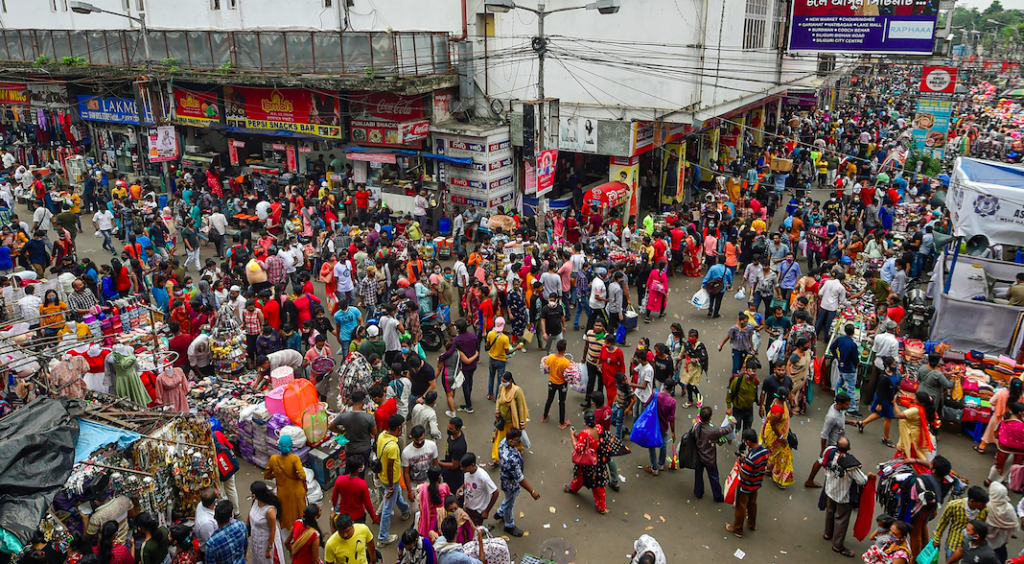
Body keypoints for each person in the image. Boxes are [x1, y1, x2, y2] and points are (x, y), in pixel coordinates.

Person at [822, 436, 872, 557]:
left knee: (830, 511)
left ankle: (828, 533)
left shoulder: (829, 452)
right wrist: (868, 476)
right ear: (849, 448)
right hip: (843, 495)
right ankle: (837, 545)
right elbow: (861, 480)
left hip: (830, 489)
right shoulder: (850, 463)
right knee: (841, 519)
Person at [495, 427, 540, 536]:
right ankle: (509, 525)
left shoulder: (502, 443)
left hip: (505, 478)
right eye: (518, 441)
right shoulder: (510, 459)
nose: (520, 443)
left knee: (508, 499)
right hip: (511, 484)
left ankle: (500, 512)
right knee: (510, 503)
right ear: (511, 441)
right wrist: (532, 491)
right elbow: (519, 478)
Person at [564, 411, 611, 514]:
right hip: (599, 461)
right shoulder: (599, 428)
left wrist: (572, 436)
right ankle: (601, 506)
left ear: (584, 422)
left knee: (581, 477)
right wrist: (578, 436)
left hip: (588, 462)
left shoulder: (585, 433)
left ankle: (572, 488)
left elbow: (578, 448)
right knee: (599, 485)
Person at [806, 393, 855, 488]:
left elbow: (839, 420)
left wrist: (849, 422)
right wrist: (823, 450)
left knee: (824, 462)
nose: (849, 406)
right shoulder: (831, 417)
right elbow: (824, 434)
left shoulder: (837, 409)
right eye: (847, 404)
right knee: (822, 461)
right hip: (832, 445)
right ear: (840, 404)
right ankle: (810, 481)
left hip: (837, 442)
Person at [727, 428, 769, 538]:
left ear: (748, 442)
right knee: (752, 504)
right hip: (756, 484)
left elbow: (745, 475)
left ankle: (737, 529)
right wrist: (745, 458)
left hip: (745, 486)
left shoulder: (751, 458)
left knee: (741, 507)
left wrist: (739, 464)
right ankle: (752, 524)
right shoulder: (764, 451)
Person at [376, 413, 411, 546]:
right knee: (388, 508)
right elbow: (390, 468)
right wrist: (391, 486)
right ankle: (383, 537)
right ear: (397, 427)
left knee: (397, 496)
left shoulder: (381, 436)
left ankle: (405, 510)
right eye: (401, 427)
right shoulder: (393, 447)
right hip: (390, 479)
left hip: (383, 476)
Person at [262, 435, 306, 535]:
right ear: (290, 446)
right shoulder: (294, 458)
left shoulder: (274, 459)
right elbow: (302, 476)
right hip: (297, 492)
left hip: (283, 493)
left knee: (286, 514)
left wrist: (277, 474)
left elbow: (267, 475)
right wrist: (294, 476)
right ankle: (301, 532)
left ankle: (289, 535)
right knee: (299, 512)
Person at [328, 390, 377, 477]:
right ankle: (359, 486)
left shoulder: (344, 416)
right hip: (364, 449)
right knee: (361, 470)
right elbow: (374, 432)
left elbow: (330, 427)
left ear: (352, 402)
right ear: (362, 402)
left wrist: (342, 431)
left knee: (349, 470)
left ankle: (349, 486)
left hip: (350, 449)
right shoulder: (369, 417)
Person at [932, 486, 990, 559]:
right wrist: (937, 539)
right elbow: (943, 522)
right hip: (954, 545)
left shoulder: (984, 511)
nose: (984, 506)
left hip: (971, 548)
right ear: (972, 501)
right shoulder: (954, 505)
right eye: (982, 504)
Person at [692, 406, 737, 501]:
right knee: (713, 477)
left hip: (698, 455)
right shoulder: (712, 431)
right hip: (709, 458)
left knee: (698, 475)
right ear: (709, 419)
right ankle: (717, 496)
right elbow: (725, 430)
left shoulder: (696, 426)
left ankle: (698, 492)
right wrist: (732, 423)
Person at [859, 355, 900, 449]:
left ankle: (863, 423)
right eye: (894, 364)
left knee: (878, 414)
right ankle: (886, 438)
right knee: (888, 419)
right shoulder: (883, 377)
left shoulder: (893, 373)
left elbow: (894, 384)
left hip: (889, 399)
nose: (895, 365)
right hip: (885, 400)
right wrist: (880, 404)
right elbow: (880, 391)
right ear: (888, 366)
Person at [760, 387, 794, 489]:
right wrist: (781, 437)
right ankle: (779, 477)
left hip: (778, 433)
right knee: (784, 456)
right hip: (775, 436)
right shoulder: (778, 409)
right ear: (785, 397)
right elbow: (774, 425)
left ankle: (769, 469)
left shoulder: (778, 402)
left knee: (773, 454)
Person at [492, 371, 528, 464]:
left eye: (504, 381)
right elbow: (499, 399)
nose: (502, 383)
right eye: (501, 381)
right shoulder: (501, 388)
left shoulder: (516, 391)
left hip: (512, 420)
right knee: (499, 438)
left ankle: (519, 448)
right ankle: (496, 458)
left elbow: (520, 407)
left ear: (510, 381)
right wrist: (497, 411)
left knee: (514, 438)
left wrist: (522, 422)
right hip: (502, 420)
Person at [246, 482, 284, 564]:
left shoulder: (269, 511)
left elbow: (272, 530)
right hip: (256, 540)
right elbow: (250, 515)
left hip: (266, 542)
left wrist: (269, 549)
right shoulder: (255, 502)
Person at [485, 317, 522, 400]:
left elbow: (487, 346)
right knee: (500, 379)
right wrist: (517, 348)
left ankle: (490, 394)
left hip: (491, 358)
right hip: (500, 360)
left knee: (491, 376)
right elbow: (507, 352)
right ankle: (497, 396)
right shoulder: (505, 338)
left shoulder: (490, 334)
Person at [644, 386, 677, 476]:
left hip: (652, 425)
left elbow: (646, 405)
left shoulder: (655, 394)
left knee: (651, 447)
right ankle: (661, 464)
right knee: (663, 444)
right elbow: (672, 419)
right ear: (672, 388)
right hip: (663, 426)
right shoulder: (672, 402)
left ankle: (654, 468)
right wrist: (673, 432)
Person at [459, 453, 499, 526]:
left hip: (477, 511)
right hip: (467, 507)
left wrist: (486, 511)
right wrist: (462, 488)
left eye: (464, 467)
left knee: (475, 532)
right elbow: (467, 483)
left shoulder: (483, 478)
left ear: (472, 465)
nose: (462, 469)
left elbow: (496, 492)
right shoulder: (466, 472)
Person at [830, 324, 861, 415]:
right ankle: (851, 409)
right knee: (851, 388)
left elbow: (832, 347)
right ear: (853, 332)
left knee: (839, 382)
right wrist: (856, 364)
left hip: (842, 366)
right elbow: (855, 358)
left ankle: (837, 398)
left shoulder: (840, 339)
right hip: (849, 369)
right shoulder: (853, 344)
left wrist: (836, 357)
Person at [402, 425, 440, 499]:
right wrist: (410, 491)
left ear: (425, 435)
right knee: (416, 509)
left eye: (421, 439)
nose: (419, 442)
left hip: (430, 482)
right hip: (414, 485)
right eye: (417, 440)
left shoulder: (432, 446)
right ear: (412, 437)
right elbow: (406, 472)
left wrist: (437, 483)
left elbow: (436, 464)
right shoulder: (406, 452)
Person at [984, 482, 1018, 562]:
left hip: (985, 541)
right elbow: (1014, 525)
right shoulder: (1009, 508)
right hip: (1001, 541)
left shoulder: (987, 506)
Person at [726, 357, 761, 433]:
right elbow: (730, 392)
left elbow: (755, 392)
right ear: (745, 370)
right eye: (750, 371)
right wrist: (728, 407)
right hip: (738, 409)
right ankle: (730, 436)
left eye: (754, 371)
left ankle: (744, 443)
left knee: (747, 429)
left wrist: (758, 402)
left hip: (749, 409)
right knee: (736, 427)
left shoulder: (755, 381)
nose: (752, 373)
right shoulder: (738, 380)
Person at [543, 339, 572, 428]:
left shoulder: (550, 357)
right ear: (565, 349)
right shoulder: (566, 362)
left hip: (552, 382)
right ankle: (562, 422)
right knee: (561, 402)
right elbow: (569, 374)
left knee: (549, 399)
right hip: (562, 384)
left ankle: (544, 416)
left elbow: (546, 367)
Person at [415, 466, 450, 538]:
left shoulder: (422, 488)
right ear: (439, 477)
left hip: (427, 521)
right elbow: (448, 501)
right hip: (441, 519)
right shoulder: (444, 487)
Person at [719, 313, 757, 378]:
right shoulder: (734, 329)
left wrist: (751, 348)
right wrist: (721, 345)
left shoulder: (749, 329)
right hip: (736, 350)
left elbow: (750, 339)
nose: (745, 323)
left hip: (745, 350)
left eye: (747, 322)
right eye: (744, 321)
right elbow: (727, 337)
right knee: (736, 366)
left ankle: (737, 376)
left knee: (740, 365)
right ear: (740, 321)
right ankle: (733, 380)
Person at [681, 329, 708, 408]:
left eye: (693, 336)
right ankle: (690, 400)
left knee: (692, 384)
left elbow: (704, 356)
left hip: (697, 368)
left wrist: (697, 359)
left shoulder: (700, 346)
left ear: (697, 337)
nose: (690, 338)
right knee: (688, 383)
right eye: (689, 336)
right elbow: (682, 353)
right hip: (689, 366)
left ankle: (699, 397)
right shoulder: (687, 345)